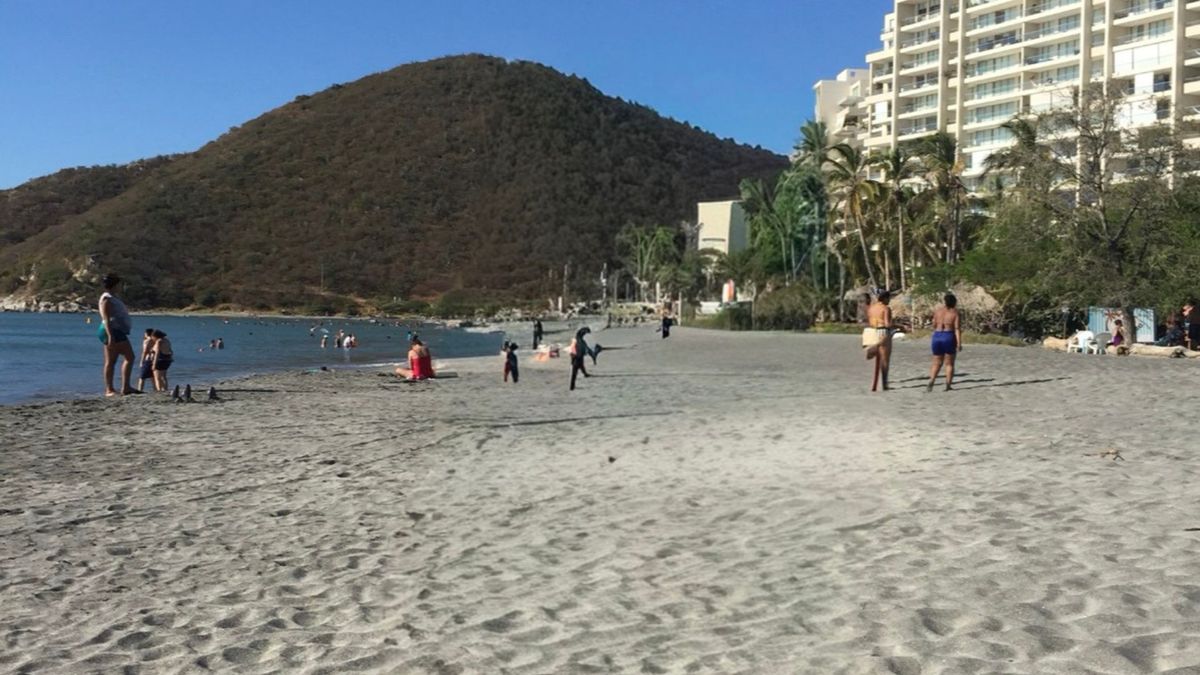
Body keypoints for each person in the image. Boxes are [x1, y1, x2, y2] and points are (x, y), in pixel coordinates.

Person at [98, 273, 137, 397]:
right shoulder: (107, 299)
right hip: (112, 330)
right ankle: (111, 389)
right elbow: (106, 318)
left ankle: (123, 386)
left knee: (117, 359)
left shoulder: (113, 297)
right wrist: (110, 336)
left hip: (116, 330)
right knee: (126, 357)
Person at [926, 293, 962, 392]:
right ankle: (947, 385)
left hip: (937, 336)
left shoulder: (938, 311)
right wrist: (959, 343)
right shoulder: (955, 313)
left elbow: (933, 324)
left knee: (936, 362)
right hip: (948, 335)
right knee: (949, 363)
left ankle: (931, 381)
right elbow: (957, 329)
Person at [864, 290, 895, 392]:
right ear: (885, 298)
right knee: (885, 359)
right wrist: (898, 326)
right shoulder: (886, 308)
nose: (889, 300)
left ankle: (873, 349)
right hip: (883, 332)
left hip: (871, 331)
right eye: (889, 298)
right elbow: (887, 324)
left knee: (878, 359)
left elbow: (869, 321)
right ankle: (884, 383)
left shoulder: (871, 308)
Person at [137, 328, 156, 392]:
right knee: (152, 377)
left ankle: (140, 390)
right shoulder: (155, 340)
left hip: (148, 359)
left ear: (146, 333)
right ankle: (155, 389)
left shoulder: (147, 341)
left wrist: (141, 361)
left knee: (142, 377)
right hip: (154, 359)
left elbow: (144, 352)